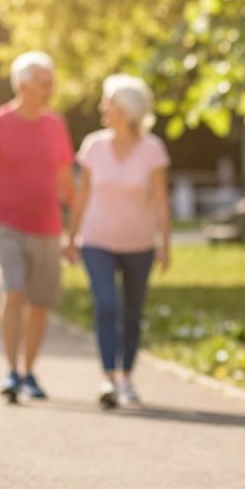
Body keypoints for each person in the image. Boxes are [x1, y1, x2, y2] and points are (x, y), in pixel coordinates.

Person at [0, 51, 75, 404]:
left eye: (51, 83)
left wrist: (74, 231)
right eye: (44, 84)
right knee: (14, 290)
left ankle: (29, 372)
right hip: (6, 222)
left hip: (47, 225)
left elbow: (66, 180)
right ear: (23, 85)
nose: (50, 89)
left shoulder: (55, 125)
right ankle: (11, 370)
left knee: (40, 303)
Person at [65, 74, 170, 409]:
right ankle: (109, 378)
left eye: (106, 102)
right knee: (107, 304)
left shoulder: (152, 149)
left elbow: (160, 200)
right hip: (97, 240)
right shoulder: (94, 146)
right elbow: (82, 195)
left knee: (132, 311)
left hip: (140, 243)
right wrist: (72, 237)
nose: (101, 107)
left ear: (124, 109)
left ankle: (126, 377)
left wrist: (165, 243)